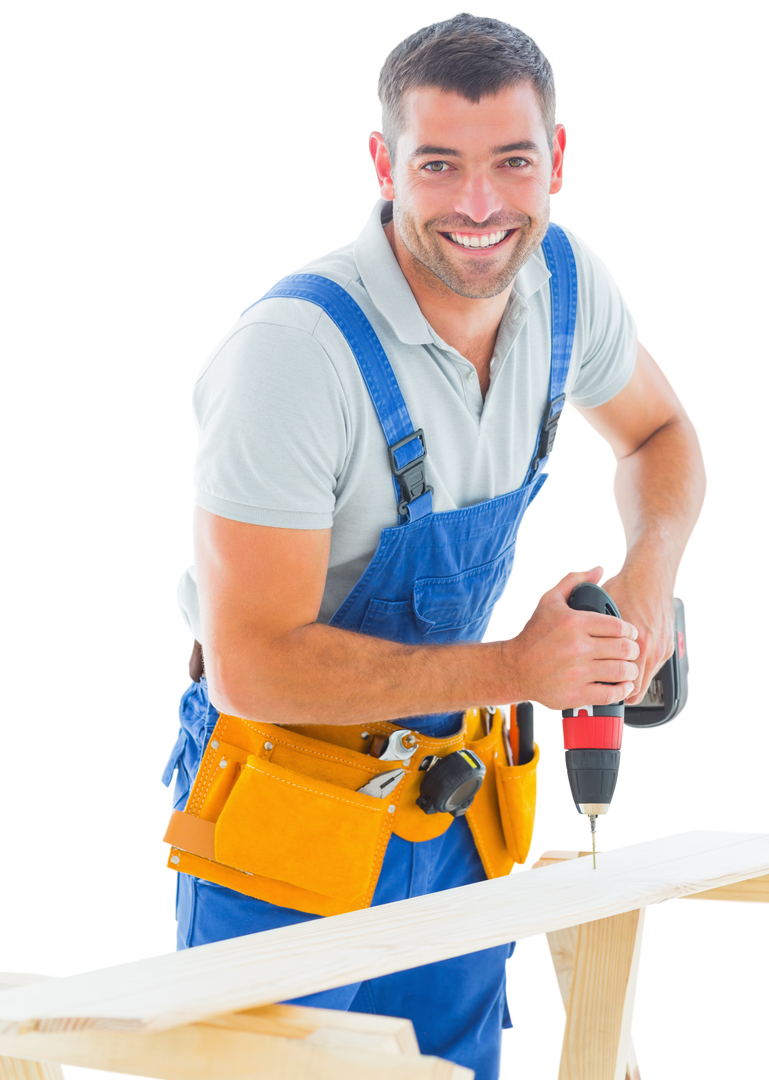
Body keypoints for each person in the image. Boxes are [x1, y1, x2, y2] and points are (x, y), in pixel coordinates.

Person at [160, 12, 709, 1080]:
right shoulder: (292, 357)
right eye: (438, 165)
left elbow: (659, 434)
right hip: (285, 819)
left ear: (555, 156)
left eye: (510, 162)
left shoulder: (564, 282)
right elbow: (252, 662)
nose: (478, 206)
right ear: (382, 163)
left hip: (453, 812)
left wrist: (646, 582)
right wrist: (517, 668)